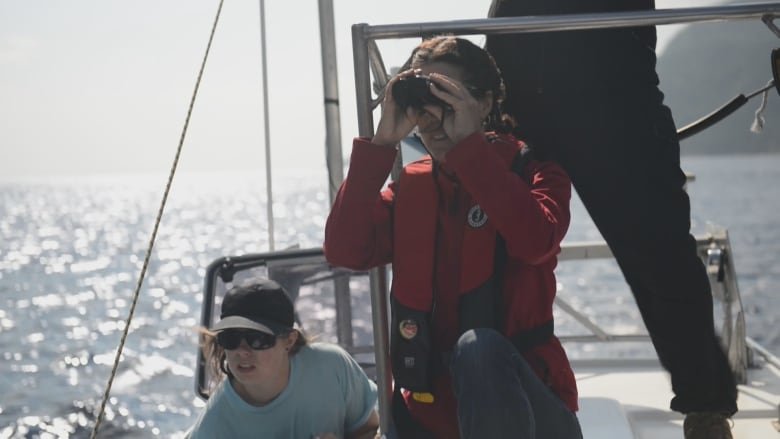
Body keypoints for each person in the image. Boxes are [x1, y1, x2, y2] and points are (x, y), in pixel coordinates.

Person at [483, 1, 739, 438]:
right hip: (519, 98)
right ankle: (485, 387)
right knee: (491, 248)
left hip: (617, 104)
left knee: (662, 256)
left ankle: (706, 408)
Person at [324, 35, 582, 439]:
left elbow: (536, 242)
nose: (432, 117)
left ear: (483, 104)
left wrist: (469, 148)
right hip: (427, 420)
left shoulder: (536, 173)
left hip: (531, 420)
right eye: (421, 102)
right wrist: (382, 145)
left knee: (478, 347)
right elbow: (344, 249)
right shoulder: (411, 189)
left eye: (446, 98)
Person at [186, 278, 379, 439]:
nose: (242, 351)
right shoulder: (215, 423)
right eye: (231, 338)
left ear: (289, 340)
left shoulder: (332, 366)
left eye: (258, 339)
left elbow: (371, 428)